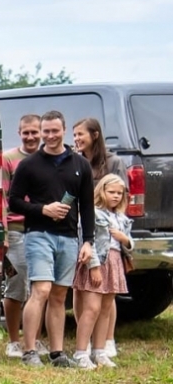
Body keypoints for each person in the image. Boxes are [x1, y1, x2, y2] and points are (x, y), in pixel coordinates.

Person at [9, 109, 95, 369]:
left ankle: (57, 353)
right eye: (46, 131)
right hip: (38, 235)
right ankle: (29, 350)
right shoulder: (29, 164)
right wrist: (42, 209)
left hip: (69, 238)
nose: (50, 136)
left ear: (64, 130)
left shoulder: (80, 165)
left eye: (54, 131)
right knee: (41, 290)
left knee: (59, 295)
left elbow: (87, 206)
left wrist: (88, 241)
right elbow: (13, 201)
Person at [73, 116, 126, 357]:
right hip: (76, 226)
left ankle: (106, 340)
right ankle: (83, 342)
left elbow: (121, 193)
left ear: (95, 135)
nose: (76, 139)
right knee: (80, 289)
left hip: (104, 236)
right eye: (74, 135)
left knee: (106, 293)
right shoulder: (74, 161)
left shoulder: (113, 163)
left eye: (80, 134)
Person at [72, 174, 132, 369]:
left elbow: (129, 244)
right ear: (101, 191)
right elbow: (88, 241)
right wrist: (93, 267)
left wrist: (126, 240)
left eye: (119, 193)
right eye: (111, 192)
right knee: (92, 308)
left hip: (114, 262)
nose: (115, 196)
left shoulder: (122, 218)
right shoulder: (94, 214)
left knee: (106, 308)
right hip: (97, 262)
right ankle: (81, 352)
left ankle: (100, 351)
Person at [0, 114, 43, 357]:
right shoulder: (9, 159)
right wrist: (4, 232)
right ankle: (14, 341)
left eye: (35, 132)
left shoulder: (47, 160)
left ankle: (33, 339)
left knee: (40, 287)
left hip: (43, 231)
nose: (31, 137)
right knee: (16, 286)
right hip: (16, 231)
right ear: (19, 133)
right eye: (26, 132)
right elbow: (3, 198)